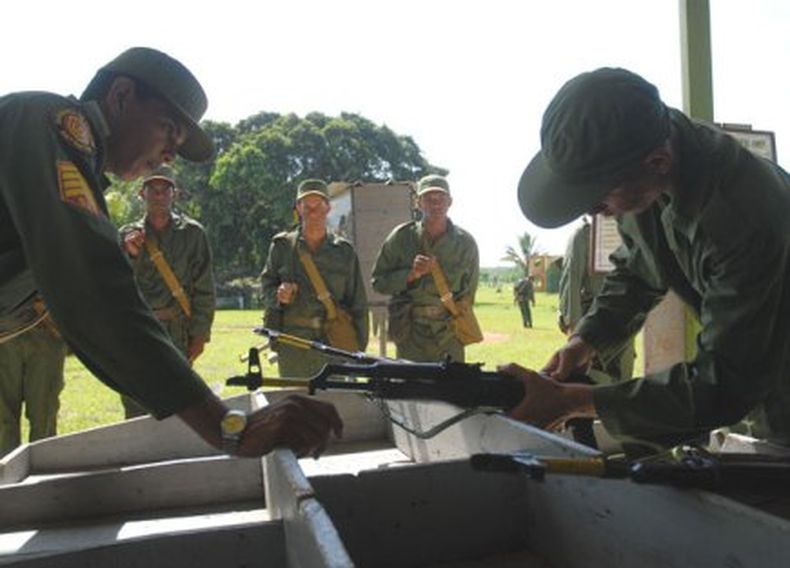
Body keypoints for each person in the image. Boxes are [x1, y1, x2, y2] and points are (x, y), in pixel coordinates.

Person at [0, 47, 342, 458]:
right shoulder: (50, 124)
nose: (169, 155)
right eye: (168, 129)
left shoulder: (68, 159)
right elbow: (93, 289)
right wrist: (226, 426)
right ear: (122, 95)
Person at [504, 67, 790, 452]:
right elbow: (640, 268)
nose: (594, 212)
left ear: (657, 162)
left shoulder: (741, 217)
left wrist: (573, 402)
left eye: (600, 197)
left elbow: (725, 384)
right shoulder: (645, 167)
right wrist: (586, 340)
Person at [119, 166, 215, 418]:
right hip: (138, 330)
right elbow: (115, 284)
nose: (159, 195)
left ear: (175, 194)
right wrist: (129, 254)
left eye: (165, 189)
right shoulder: (126, 236)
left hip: (177, 331)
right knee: (137, 400)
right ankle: (139, 455)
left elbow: (204, 286)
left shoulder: (193, 234)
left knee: (177, 400)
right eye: (153, 189)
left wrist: (200, 334)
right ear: (142, 194)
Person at [260, 179, 369, 377]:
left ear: (328, 208)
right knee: (295, 401)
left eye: (317, 204)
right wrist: (278, 295)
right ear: (298, 209)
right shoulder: (282, 247)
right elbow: (266, 285)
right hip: (293, 344)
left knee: (333, 402)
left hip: (333, 343)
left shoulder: (344, 252)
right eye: (306, 205)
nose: (312, 211)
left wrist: (357, 349)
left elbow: (358, 302)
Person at [371, 175, 479, 362]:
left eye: (441, 198)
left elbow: (469, 294)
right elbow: (378, 282)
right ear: (418, 202)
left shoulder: (465, 243)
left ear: (450, 202)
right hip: (410, 334)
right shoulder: (401, 238)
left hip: (449, 334)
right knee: (411, 388)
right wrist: (410, 275)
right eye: (428, 198)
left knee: (451, 389)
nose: (435, 204)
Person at [558, 218, 635, 383]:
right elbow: (571, 281)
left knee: (623, 380)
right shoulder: (583, 235)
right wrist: (575, 327)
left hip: (623, 321)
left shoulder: (629, 232)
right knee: (594, 382)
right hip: (593, 321)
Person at [0, 300, 67, 457]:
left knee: (44, 416)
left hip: (45, 331)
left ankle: (44, 474)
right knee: (3, 422)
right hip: (3, 336)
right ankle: (5, 478)